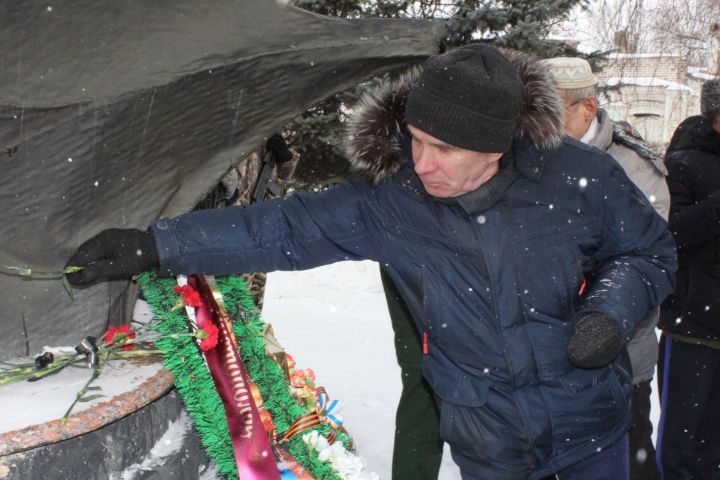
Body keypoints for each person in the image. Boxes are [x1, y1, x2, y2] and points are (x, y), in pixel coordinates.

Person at [66, 44, 676, 479]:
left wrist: (609, 311)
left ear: (496, 147)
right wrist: (159, 244)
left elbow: (648, 251)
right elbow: (286, 227)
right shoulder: (397, 200)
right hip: (487, 442)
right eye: (414, 138)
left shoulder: (578, 177)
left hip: (590, 432)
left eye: (444, 148)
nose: (422, 161)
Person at [542, 56, 670, 480]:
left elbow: (644, 265)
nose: (539, 124)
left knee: (629, 463)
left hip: (617, 362)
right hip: (541, 364)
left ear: (588, 109)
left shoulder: (634, 168)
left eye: (552, 111)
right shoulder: (528, 159)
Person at [655, 78, 720, 479]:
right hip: (693, 325)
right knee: (680, 442)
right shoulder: (681, 162)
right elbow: (670, 231)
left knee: (715, 442)